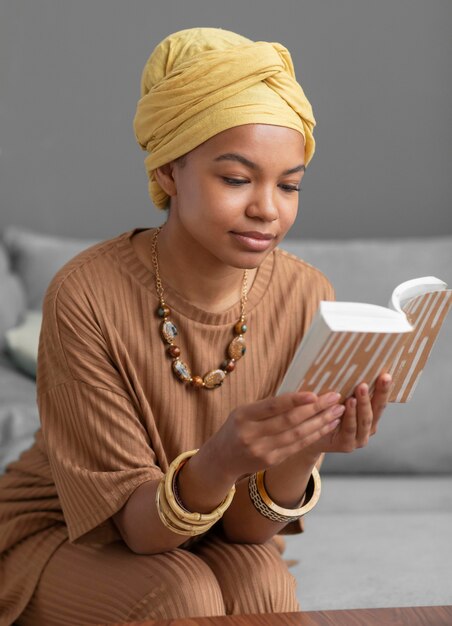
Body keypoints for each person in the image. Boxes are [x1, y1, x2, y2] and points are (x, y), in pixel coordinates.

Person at [0, 27, 392, 625]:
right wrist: (221, 459)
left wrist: (303, 448)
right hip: (71, 531)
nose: (268, 207)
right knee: (181, 596)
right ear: (167, 171)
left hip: (204, 532)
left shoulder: (308, 294)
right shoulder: (85, 293)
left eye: (290, 185)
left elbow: (250, 531)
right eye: (237, 179)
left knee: (263, 586)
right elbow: (134, 530)